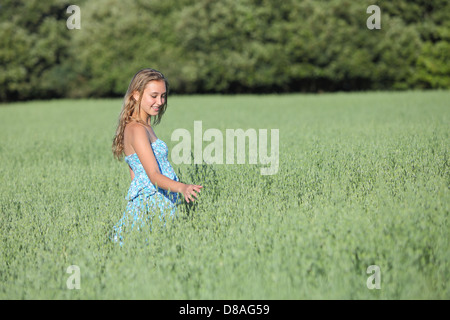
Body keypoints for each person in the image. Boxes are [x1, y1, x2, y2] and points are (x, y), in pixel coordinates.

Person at [111, 68, 202, 244]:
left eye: (163, 96)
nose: (159, 101)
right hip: (152, 206)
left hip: (157, 203)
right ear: (136, 95)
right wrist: (182, 188)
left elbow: (135, 176)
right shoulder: (137, 130)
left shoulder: (143, 127)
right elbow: (153, 175)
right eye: (154, 96)